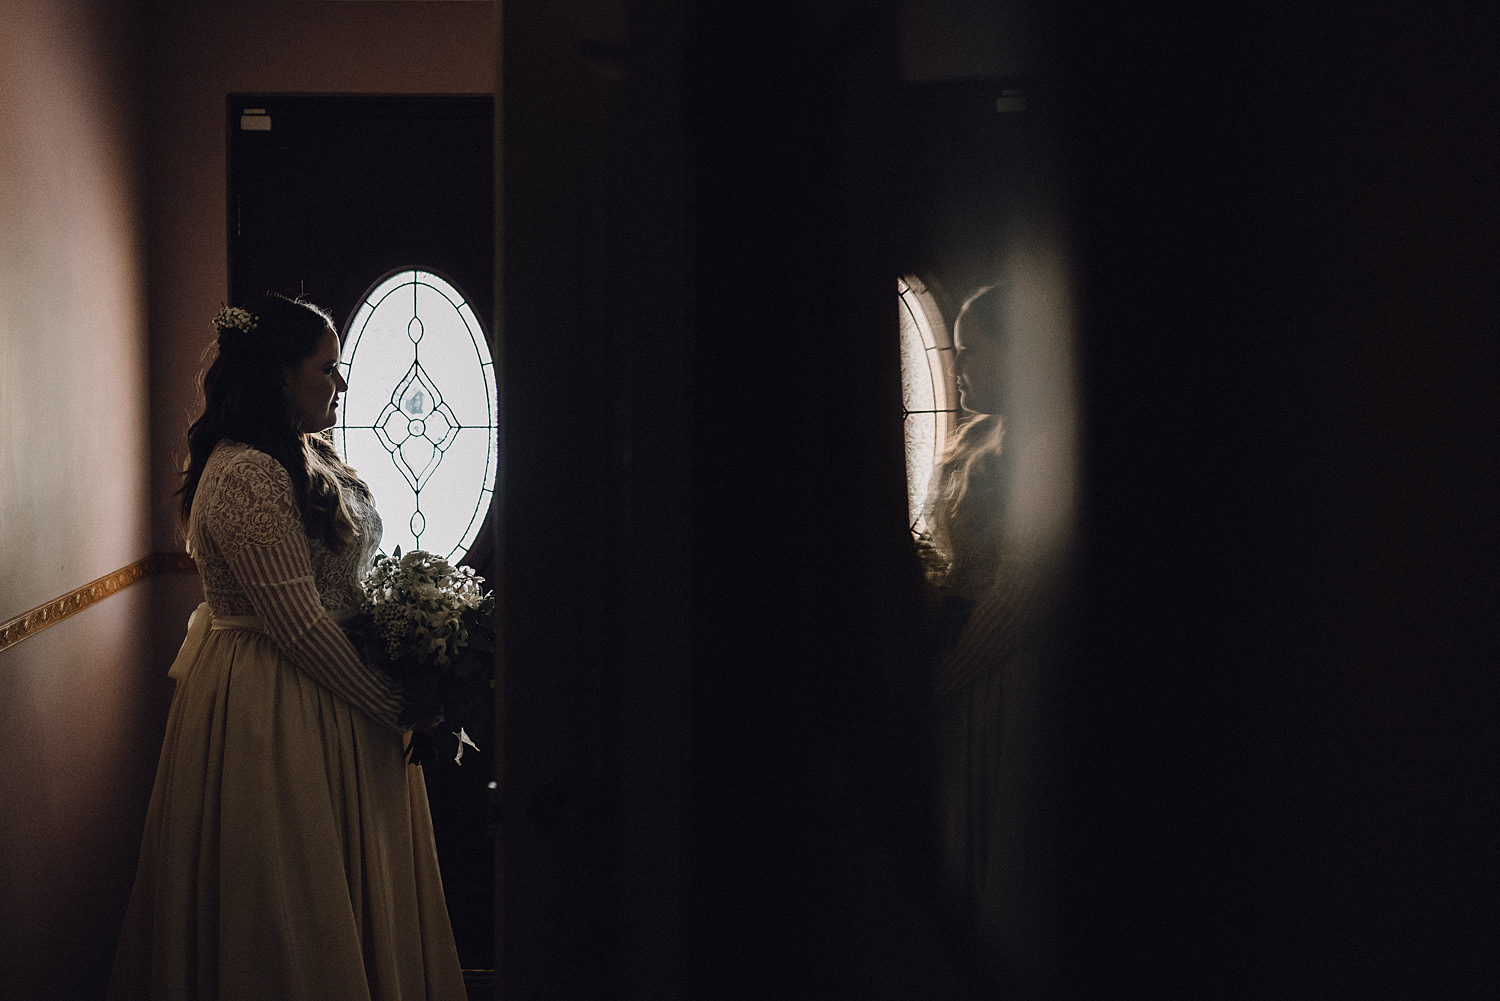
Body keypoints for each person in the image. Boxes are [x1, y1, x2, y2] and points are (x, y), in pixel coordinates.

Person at [109, 294, 467, 1000]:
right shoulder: (245, 471)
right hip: (274, 710)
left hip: (331, 694)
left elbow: (341, 584)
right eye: (327, 369)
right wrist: (395, 701)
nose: (340, 384)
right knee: (289, 904)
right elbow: (299, 625)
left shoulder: (307, 450)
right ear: (280, 375)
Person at [923, 284, 1049, 983]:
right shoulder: (973, 435)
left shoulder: (1047, 443)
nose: (962, 365)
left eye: (975, 350)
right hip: (962, 654)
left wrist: (946, 672)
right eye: (958, 351)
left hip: (1004, 666)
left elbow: (1022, 588)